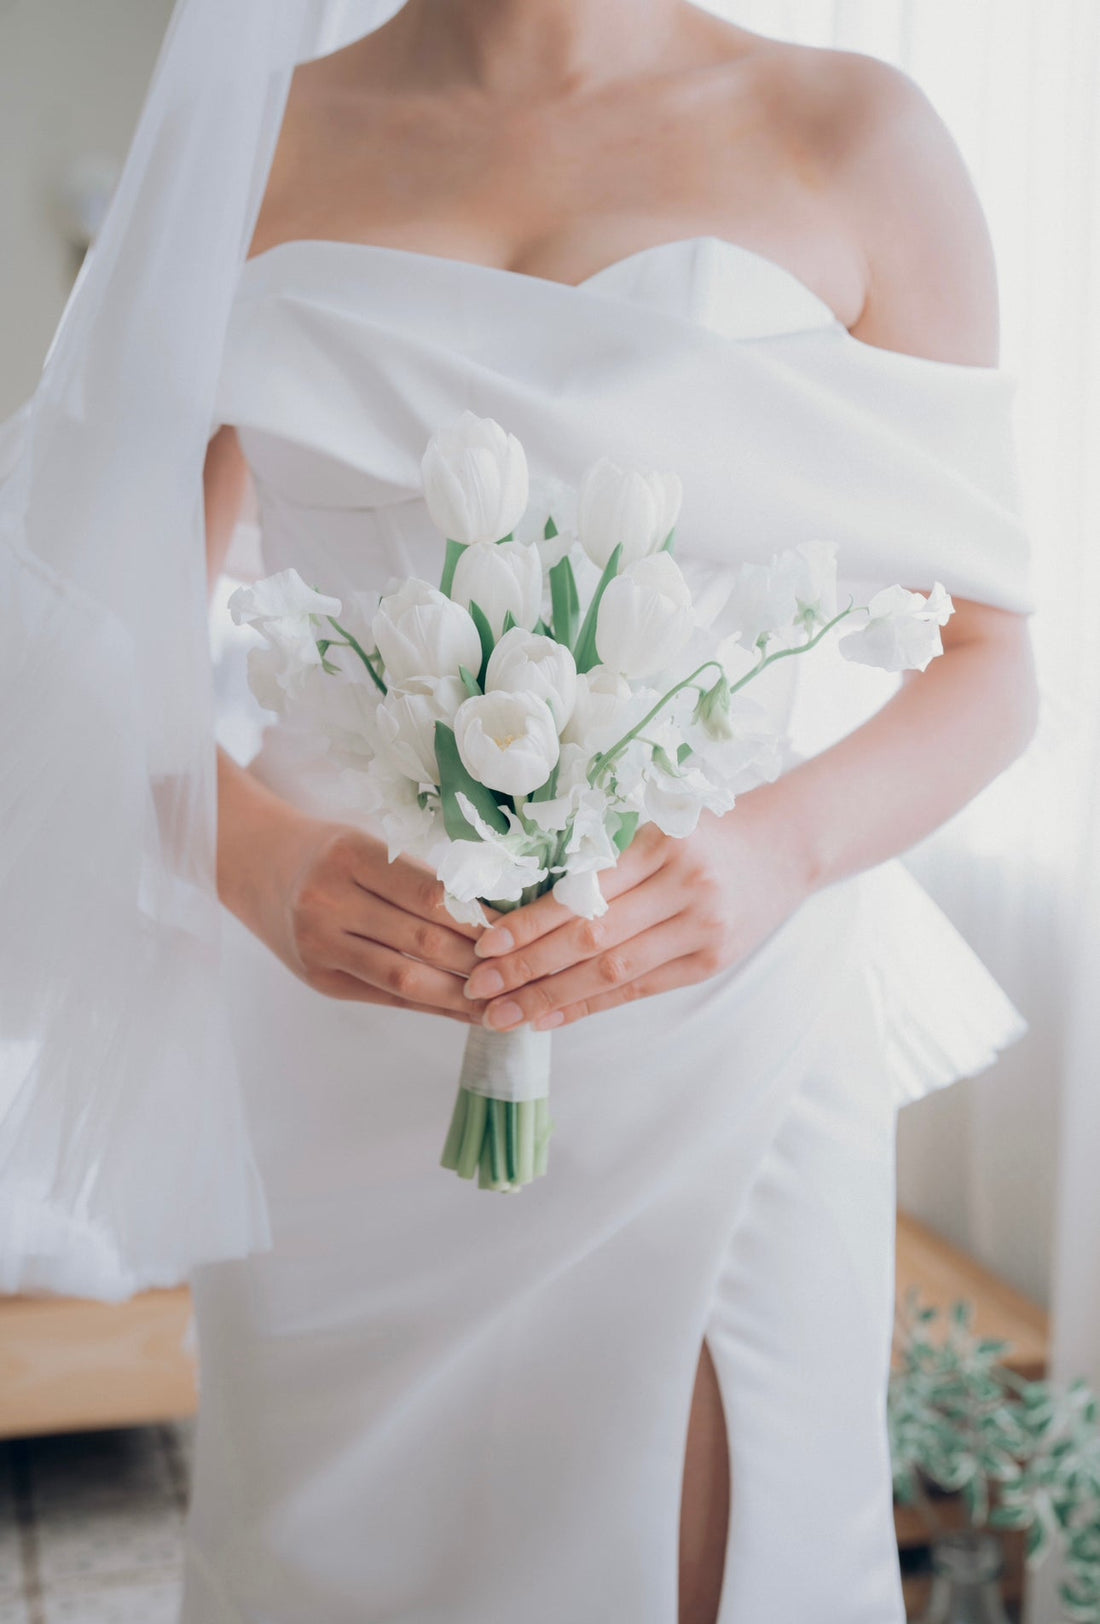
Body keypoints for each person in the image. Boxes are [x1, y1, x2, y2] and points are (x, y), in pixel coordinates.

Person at [4, 3, 1037, 1621]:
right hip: (345, 1010)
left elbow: (990, 665)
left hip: (720, 993)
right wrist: (267, 868)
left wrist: (770, 855)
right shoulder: (243, 137)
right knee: (327, 1554)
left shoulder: (857, 136)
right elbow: (94, 649)